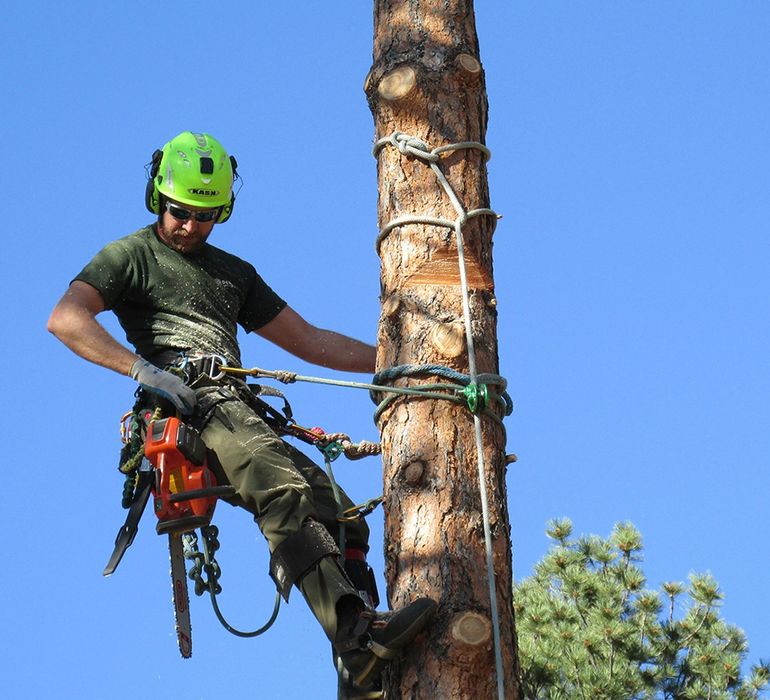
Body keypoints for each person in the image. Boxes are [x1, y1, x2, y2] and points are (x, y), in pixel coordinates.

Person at [47, 131, 435, 694]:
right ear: (158, 196)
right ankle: (353, 632)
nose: (191, 226)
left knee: (343, 516)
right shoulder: (129, 256)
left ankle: (360, 667)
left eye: (206, 216)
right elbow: (66, 317)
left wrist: (393, 363)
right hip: (190, 403)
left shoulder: (233, 272)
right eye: (181, 212)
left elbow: (306, 338)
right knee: (280, 490)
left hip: (240, 406)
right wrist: (143, 371)